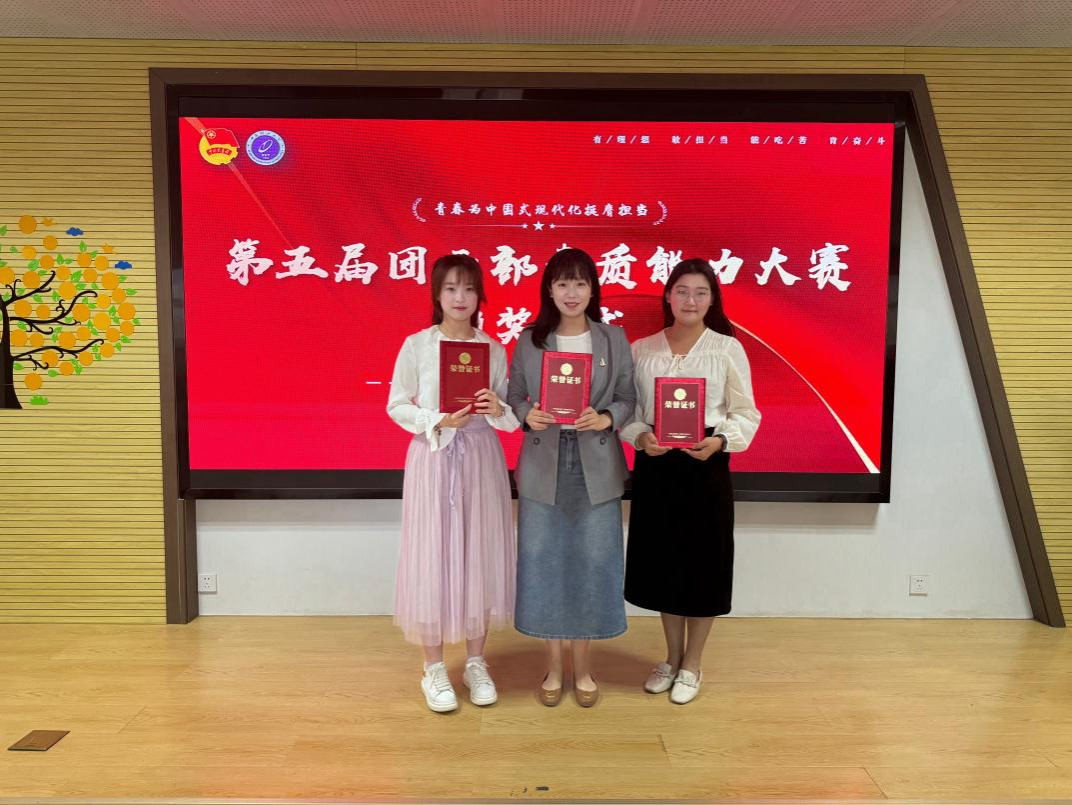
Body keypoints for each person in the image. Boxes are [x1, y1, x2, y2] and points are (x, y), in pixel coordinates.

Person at [621, 258, 761, 704]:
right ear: (668, 295)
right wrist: (640, 437)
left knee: (703, 565)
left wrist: (719, 441)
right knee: (665, 564)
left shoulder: (726, 349)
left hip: (705, 465)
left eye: (701, 292)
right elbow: (629, 411)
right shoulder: (642, 349)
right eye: (682, 291)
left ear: (712, 299)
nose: (690, 300)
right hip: (657, 467)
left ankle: (693, 663)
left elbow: (745, 412)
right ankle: (671, 657)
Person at [386, 253, 519, 713]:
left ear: (480, 296)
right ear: (437, 295)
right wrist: (437, 419)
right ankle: (433, 667)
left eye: (468, 288)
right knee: (434, 552)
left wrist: (497, 408)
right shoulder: (417, 345)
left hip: (481, 455)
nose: (460, 297)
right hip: (434, 455)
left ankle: (476, 662)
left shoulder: (493, 349)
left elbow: (509, 414)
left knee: (478, 551)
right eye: (450, 288)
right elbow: (396, 404)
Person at [507, 247, 636, 708]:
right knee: (543, 560)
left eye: (580, 283)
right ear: (549, 289)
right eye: (562, 283)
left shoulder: (612, 338)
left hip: (595, 462)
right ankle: (553, 667)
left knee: (593, 561)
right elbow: (514, 395)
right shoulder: (530, 339)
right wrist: (528, 415)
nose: (571, 292)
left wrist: (607, 417)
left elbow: (628, 397)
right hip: (544, 462)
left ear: (592, 289)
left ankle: (582, 667)